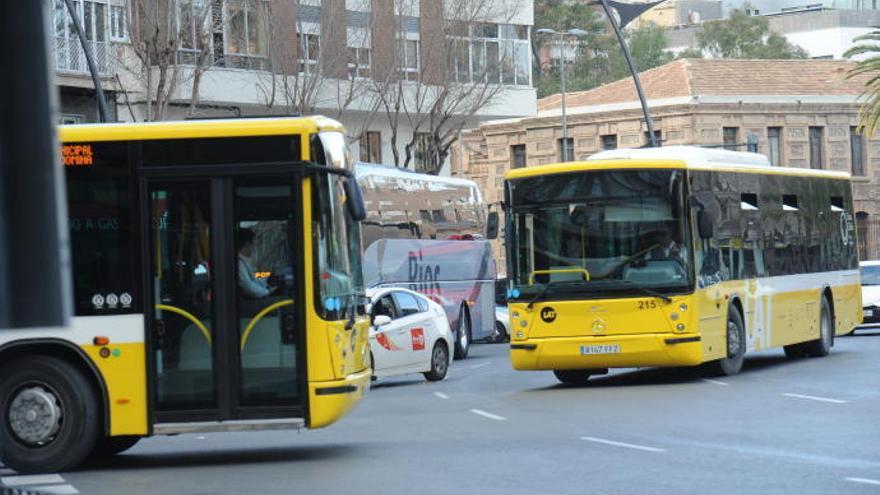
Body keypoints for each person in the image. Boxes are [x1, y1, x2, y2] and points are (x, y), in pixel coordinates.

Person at [237, 228, 275, 298]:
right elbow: (248, 287)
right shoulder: (239, 264)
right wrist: (267, 292)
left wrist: (267, 278)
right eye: (253, 243)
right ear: (247, 244)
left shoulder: (244, 262)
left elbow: (254, 281)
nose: (254, 247)